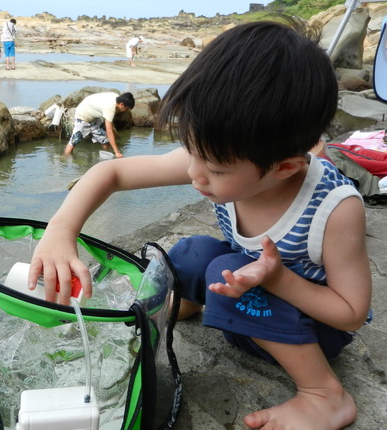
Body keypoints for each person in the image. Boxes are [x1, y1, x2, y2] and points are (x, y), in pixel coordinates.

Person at [28, 20, 372, 430]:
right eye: (190, 151)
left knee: (217, 270)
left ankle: (325, 395)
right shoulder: (221, 156)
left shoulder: (335, 208)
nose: (194, 174)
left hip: (310, 331)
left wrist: (278, 279)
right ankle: (179, 308)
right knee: (190, 252)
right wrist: (60, 230)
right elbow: (112, 175)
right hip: (248, 290)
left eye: (212, 169)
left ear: (285, 167)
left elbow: (350, 314)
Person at [64, 92, 134, 158]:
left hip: (94, 117)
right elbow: (109, 131)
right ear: (121, 105)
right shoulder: (110, 107)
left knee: (105, 140)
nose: (126, 110)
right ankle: (64, 158)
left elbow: (108, 121)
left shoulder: (116, 97)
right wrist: (117, 152)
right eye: (127, 108)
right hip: (82, 116)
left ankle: (105, 156)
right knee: (74, 141)